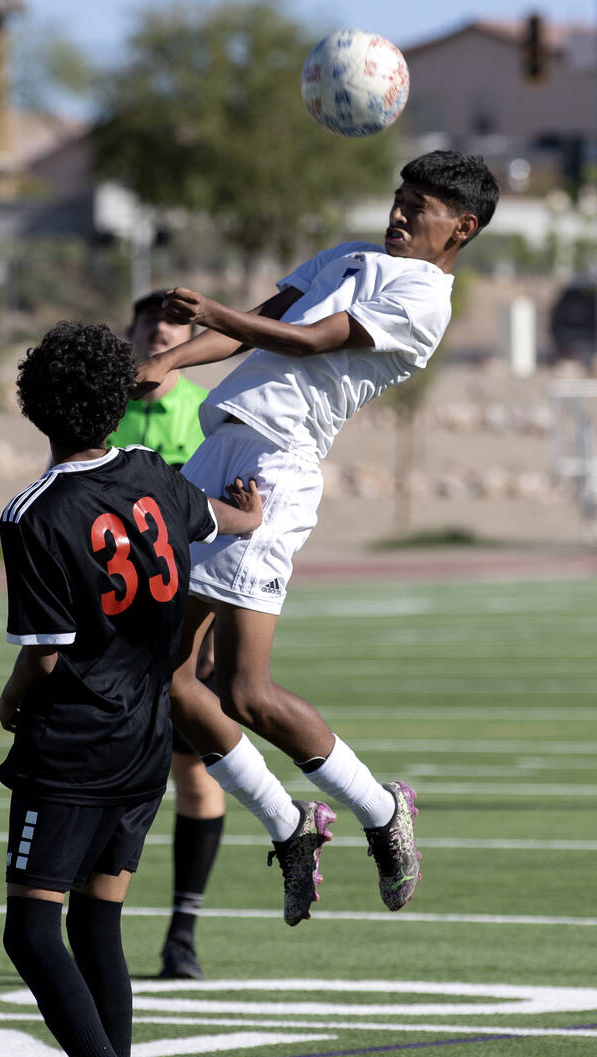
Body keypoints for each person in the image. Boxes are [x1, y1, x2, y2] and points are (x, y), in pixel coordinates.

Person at [135, 150, 500, 924]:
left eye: (421, 206)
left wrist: (215, 316)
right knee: (164, 678)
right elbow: (251, 334)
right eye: (399, 198)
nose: (399, 213)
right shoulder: (349, 257)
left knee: (244, 690)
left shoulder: (425, 299)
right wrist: (162, 361)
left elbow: (309, 340)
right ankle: (289, 822)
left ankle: (380, 808)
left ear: (461, 228)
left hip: (274, 472)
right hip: (216, 452)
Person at [0, 319, 263, 1057]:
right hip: (146, 738)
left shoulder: (35, 511)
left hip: (71, 742)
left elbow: (44, 651)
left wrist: (8, 704)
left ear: (34, 408)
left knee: (31, 926)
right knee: (98, 921)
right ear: (119, 400)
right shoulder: (150, 472)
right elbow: (218, 518)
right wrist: (248, 511)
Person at [111, 290, 225, 981]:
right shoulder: (102, 412)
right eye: (151, 320)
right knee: (115, 777)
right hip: (113, 628)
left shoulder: (207, 414)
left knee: (194, 774)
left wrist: (209, 629)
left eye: (178, 321)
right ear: (130, 332)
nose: (162, 330)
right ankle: (99, 927)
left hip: (187, 623)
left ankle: (182, 934)